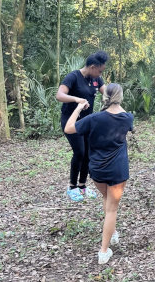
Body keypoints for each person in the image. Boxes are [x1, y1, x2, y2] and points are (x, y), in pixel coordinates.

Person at [64, 83, 134, 265]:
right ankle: (104, 251)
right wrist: (117, 104)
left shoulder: (94, 119)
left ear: (104, 97)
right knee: (112, 208)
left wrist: (78, 107)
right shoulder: (127, 118)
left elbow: (68, 128)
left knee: (107, 199)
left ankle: (113, 232)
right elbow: (125, 116)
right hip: (118, 170)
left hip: (97, 170)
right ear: (121, 97)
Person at [56, 51, 108, 202]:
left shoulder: (96, 78)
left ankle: (82, 186)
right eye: (99, 70)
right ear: (92, 67)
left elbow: (106, 92)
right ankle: (72, 187)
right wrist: (77, 99)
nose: (100, 73)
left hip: (87, 122)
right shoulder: (73, 77)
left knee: (88, 153)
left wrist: (109, 100)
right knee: (79, 152)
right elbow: (59, 95)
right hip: (71, 122)